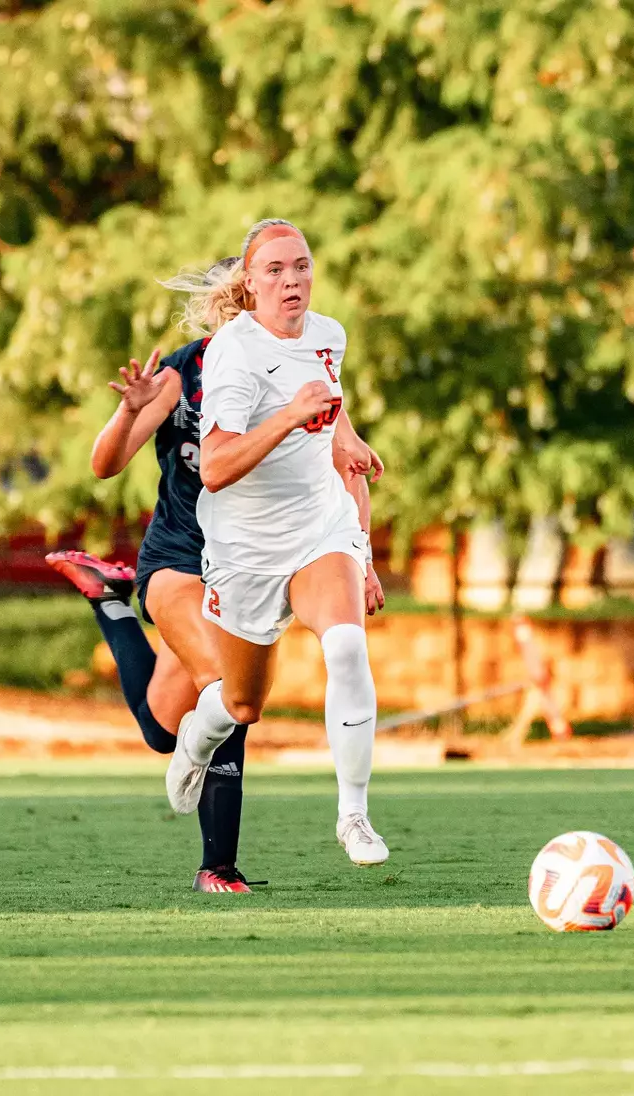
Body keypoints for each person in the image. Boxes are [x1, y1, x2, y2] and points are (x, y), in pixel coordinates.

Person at [47, 258, 385, 891]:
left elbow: (347, 466)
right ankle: (218, 867)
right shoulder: (189, 371)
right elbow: (105, 464)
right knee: (228, 689)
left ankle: (110, 604)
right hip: (181, 556)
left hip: (258, 561)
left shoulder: (307, 359)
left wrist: (358, 556)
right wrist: (129, 413)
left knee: (162, 727)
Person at [162, 218, 391, 867]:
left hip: (321, 526)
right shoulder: (232, 355)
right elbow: (215, 467)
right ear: (251, 285)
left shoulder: (329, 335)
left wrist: (342, 431)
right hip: (249, 549)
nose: (292, 280)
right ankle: (195, 742)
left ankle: (353, 815)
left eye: (302, 266)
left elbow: (325, 392)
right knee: (241, 702)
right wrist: (292, 417)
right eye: (276, 270)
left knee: (346, 646)